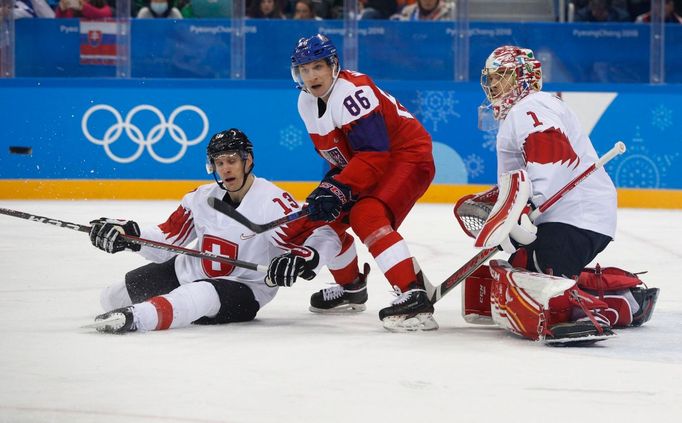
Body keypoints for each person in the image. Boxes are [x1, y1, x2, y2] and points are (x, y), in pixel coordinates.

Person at [458, 45, 659, 343]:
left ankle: (608, 307)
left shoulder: (531, 107)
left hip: (575, 216)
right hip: (571, 215)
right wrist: (509, 210)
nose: (493, 86)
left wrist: (526, 208)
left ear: (522, 78)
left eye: (501, 76)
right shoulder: (519, 114)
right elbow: (518, 181)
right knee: (524, 269)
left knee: (537, 282)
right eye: (491, 78)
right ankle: (623, 294)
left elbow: (551, 157)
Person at [89, 128, 342, 334]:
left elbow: (326, 235)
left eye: (232, 160)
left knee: (198, 295)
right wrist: (129, 235)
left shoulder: (272, 203)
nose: (225, 168)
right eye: (219, 162)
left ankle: (139, 319)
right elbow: (167, 239)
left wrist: (303, 258)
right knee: (112, 298)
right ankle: (149, 307)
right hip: (186, 270)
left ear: (248, 160)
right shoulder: (201, 197)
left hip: (244, 288)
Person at [290, 34, 436, 332]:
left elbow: (373, 154)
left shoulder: (353, 91)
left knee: (366, 215)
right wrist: (331, 188)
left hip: (407, 156)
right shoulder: (306, 102)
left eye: (317, 66)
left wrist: (340, 187)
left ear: (333, 66)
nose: (311, 76)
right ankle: (351, 287)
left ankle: (413, 294)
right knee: (320, 216)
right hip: (371, 162)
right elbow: (341, 156)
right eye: (304, 69)